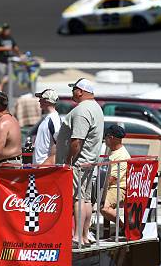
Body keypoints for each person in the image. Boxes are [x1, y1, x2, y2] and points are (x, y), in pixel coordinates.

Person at [56, 78, 104, 246]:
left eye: (73, 89)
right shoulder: (96, 107)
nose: (72, 92)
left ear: (80, 91)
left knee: (78, 199)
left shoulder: (82, 110)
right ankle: (84, 235)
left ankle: (77, 236)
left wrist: (68, 160)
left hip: (78, 163)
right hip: (88, 162)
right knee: (85, 199)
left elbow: (77, 141)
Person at [100, 125, 130, 231]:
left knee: (104, 208)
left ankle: (123, 227)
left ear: (111, 138)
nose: (105, 139)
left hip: (118, 188)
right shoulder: (111, 150)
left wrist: (94, 185)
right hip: (109, 185)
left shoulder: (122, 156)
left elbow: (112, 179)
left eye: (106, 137)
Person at [32, 89, 61, 165]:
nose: (39, 101)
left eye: (41, 99)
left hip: (45, 167)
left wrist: (46, 165)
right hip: (40, 166)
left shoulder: (54, 119)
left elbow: (57, 144)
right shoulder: (48, 118)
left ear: (47, 101)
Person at [0, 23, 20, 92]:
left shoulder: (10, 38)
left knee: (10, 76)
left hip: (9, 60)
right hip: (1, 60)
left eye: (7, 30)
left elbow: (15, 47)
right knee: (0, 77)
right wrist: (4, 48)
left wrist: (19, 54)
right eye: (5, 30)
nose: (6, 31)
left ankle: (5, 90)